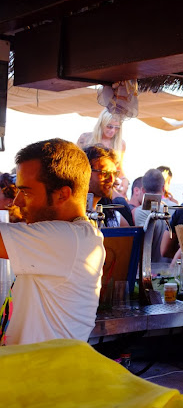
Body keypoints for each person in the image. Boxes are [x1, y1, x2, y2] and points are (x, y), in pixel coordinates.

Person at [0, 139, 106, 345]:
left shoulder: (70, 239)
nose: (17, 201)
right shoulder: (76, 236)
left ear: (62, 194)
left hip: (43, 365)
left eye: (26, 192)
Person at [84, 145, 131, 227]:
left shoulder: (114, 217)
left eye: (114, 173)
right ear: (86, 172)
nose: (111, 179)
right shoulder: (71, 215)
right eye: (105, 173)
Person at [133, 169, 171, 263]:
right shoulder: (175, 208)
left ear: (143, 190)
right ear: (163, 188)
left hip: (149, 267)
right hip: (172, 267)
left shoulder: (139, 212)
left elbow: (143, 242)